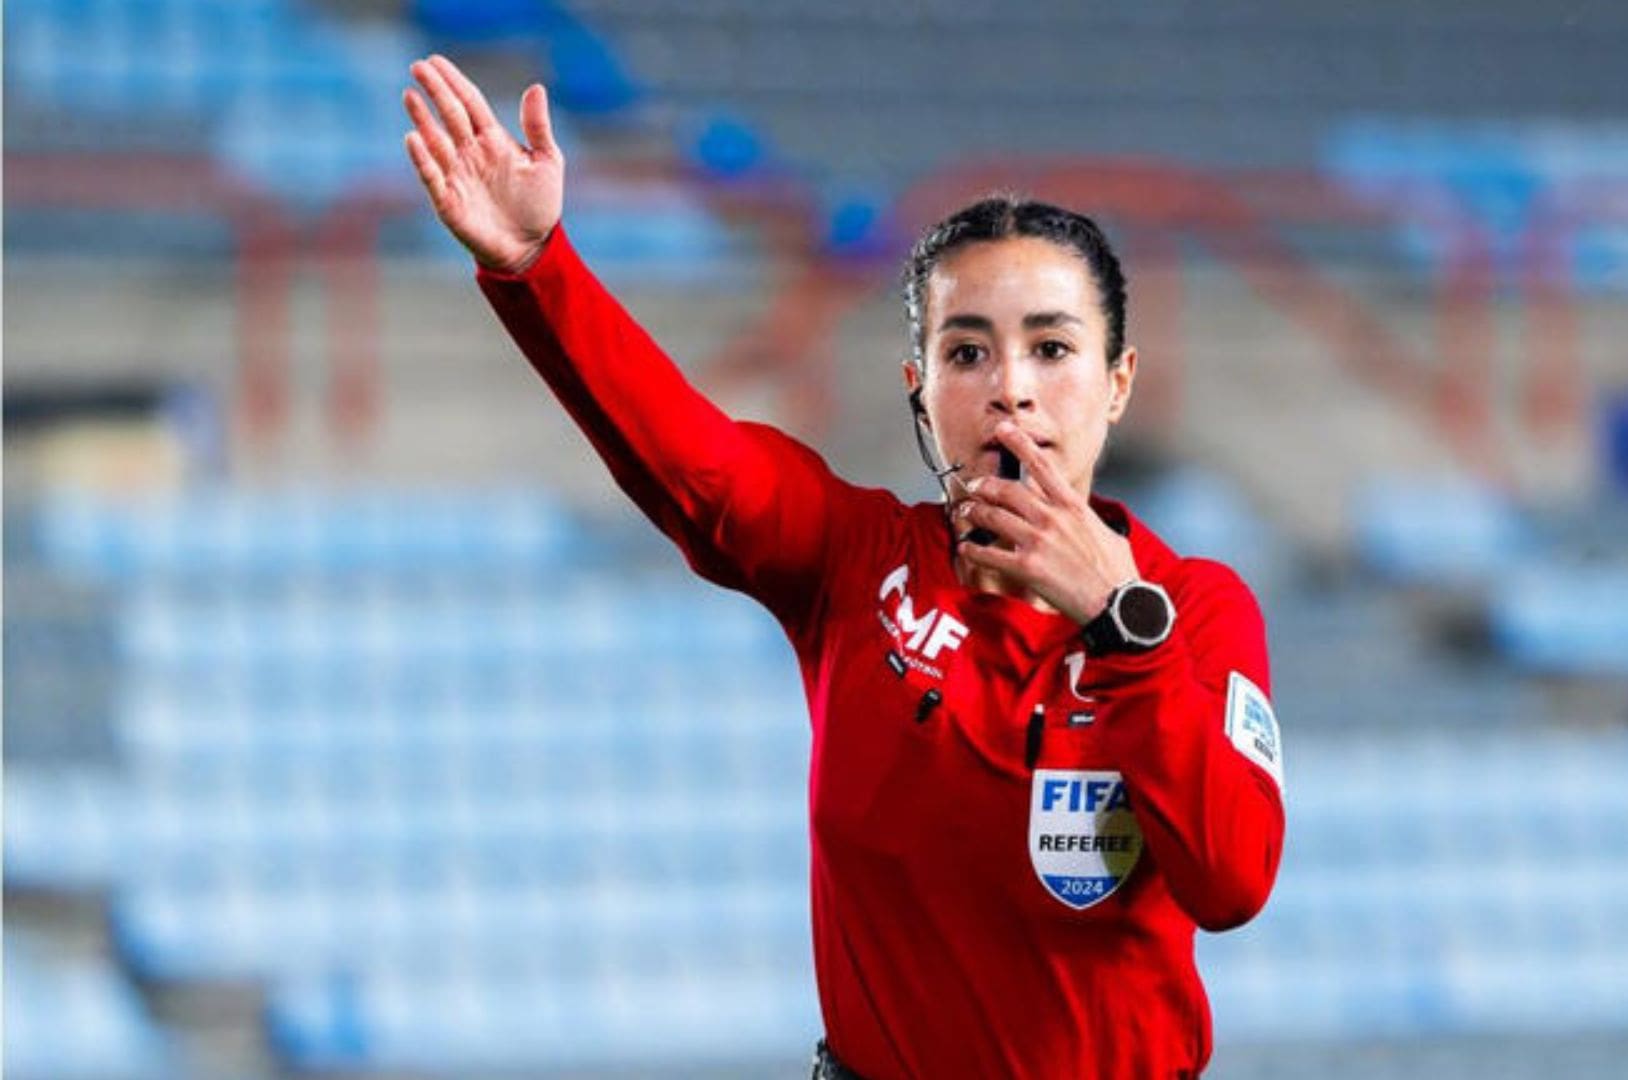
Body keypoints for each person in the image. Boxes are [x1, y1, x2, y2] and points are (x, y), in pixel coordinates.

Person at [402, 54, 1286, 1079]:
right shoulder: (853, 561)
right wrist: (536, 267)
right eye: (966, 353)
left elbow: (1232, 883)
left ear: (1118, 381)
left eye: (1052, 349)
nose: (1011, 389)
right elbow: (694, 463)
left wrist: (1114, 616)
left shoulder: (1193, 612)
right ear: (919, 389)